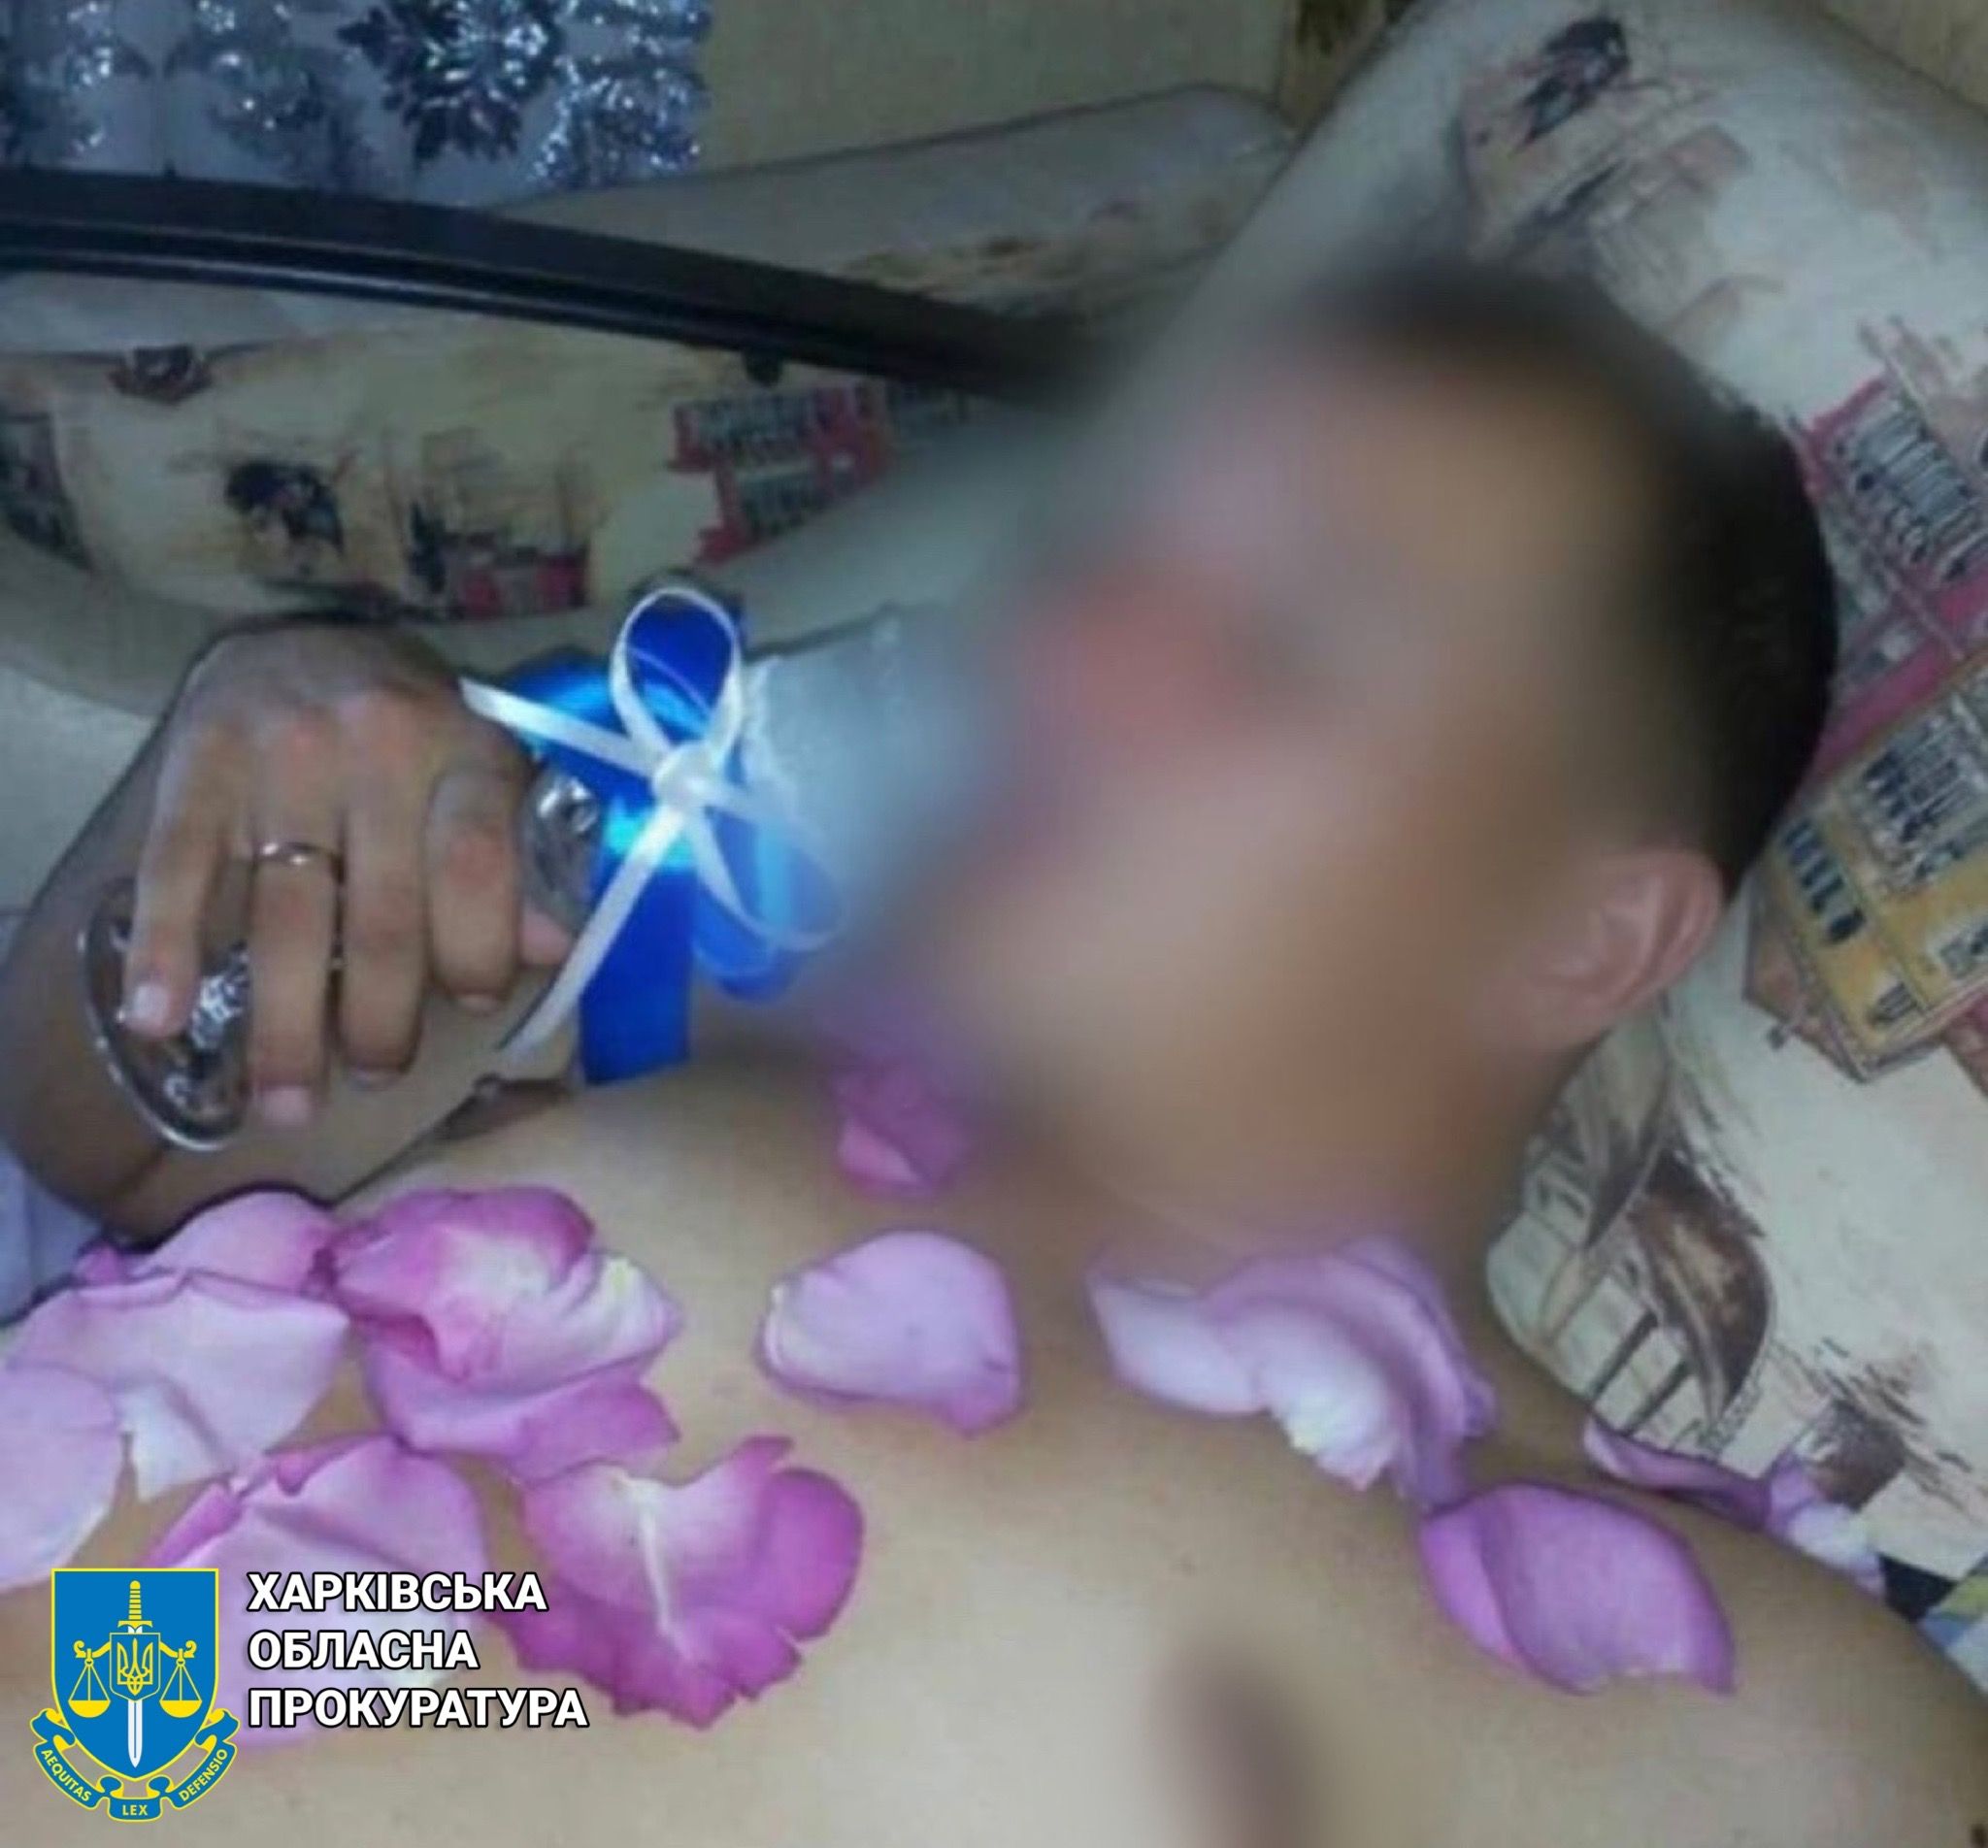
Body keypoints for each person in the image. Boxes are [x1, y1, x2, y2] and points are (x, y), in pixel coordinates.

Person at [1, 265, 1982, 1843]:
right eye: (1104, 568)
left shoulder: (1782, 1730)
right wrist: (242, 794)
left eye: (1285, 641)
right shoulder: (715, 1007)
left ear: (1575, 934)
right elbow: (107, 1148)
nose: (1054, 661)